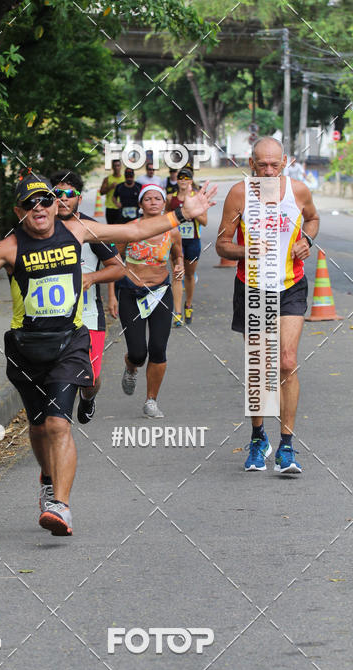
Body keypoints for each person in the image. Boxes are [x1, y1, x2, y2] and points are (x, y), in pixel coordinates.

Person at [0, 171, 216, 536]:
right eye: (31, 203)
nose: (40, 207)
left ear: (55, 206)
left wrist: (182, 214)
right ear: (20, 211)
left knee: (57, 423)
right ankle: (48, 480)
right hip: (26, 348)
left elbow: (133, 232)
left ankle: (61, 507)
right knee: (38, 427)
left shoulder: (79, 230)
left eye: (46, 200)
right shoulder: (8, 247)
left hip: (70, 342)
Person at [215, 136, 319, 475]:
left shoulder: (298, 191)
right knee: (260, 368)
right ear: (251, 163)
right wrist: (249, 251)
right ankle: (259, 438)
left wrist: (306, 239)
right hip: (253, 288)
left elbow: (313, 219)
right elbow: (221, 245)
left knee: (286, 362)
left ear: (285, 161)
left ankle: (286, 446)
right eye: (263, 165)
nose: (269, 170)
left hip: (291, 285)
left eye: (275, 164)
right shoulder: (240, 194)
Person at [50, 169, 124, 426]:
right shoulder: (41, 229)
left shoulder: (91, 230)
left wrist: (91, 278)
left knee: (90, 377)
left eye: (68, 194)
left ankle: (88, 398)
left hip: (89, 316)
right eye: (56, 193)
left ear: (78, 197)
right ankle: (58, 422)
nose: (62, 199)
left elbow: (118, 267)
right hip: (53, 319)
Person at [109, 184, 184, 417]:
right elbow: (113, 261)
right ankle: (131, 367)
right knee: (138, 352)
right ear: (140, 204)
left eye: (157, 198)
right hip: (131, 293)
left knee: (158, 348)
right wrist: (112, 295)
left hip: (161, 293)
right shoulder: (129, 229)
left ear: (164, 203)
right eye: (148, 198)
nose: (153, 202)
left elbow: (178, 253)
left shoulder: (172, 230)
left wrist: (179, 263)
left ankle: (151, 400)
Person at [166, 162, 207, 327]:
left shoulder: (198, 197)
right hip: (176, 241)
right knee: (177, 274)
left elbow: (204, 221)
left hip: (192, 241)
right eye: (180, 177)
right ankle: (177, 313)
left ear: (191, 180)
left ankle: (188, 304)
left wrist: (192, 213)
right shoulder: (171, 198)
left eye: (186, 177)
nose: (183, 180)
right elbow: (166, 219)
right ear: (177, 180)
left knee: (189, 275)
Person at [100, 158, 124, 224]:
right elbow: (101, 192)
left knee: (121, 229)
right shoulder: (107, 179)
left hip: (121, 207)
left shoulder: (124, 179)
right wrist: (110, 187)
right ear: (112, 167)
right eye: (115, 166)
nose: (117, 167)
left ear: (121, 166)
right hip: (110, 208)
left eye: (118, 165)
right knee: (110, 228)